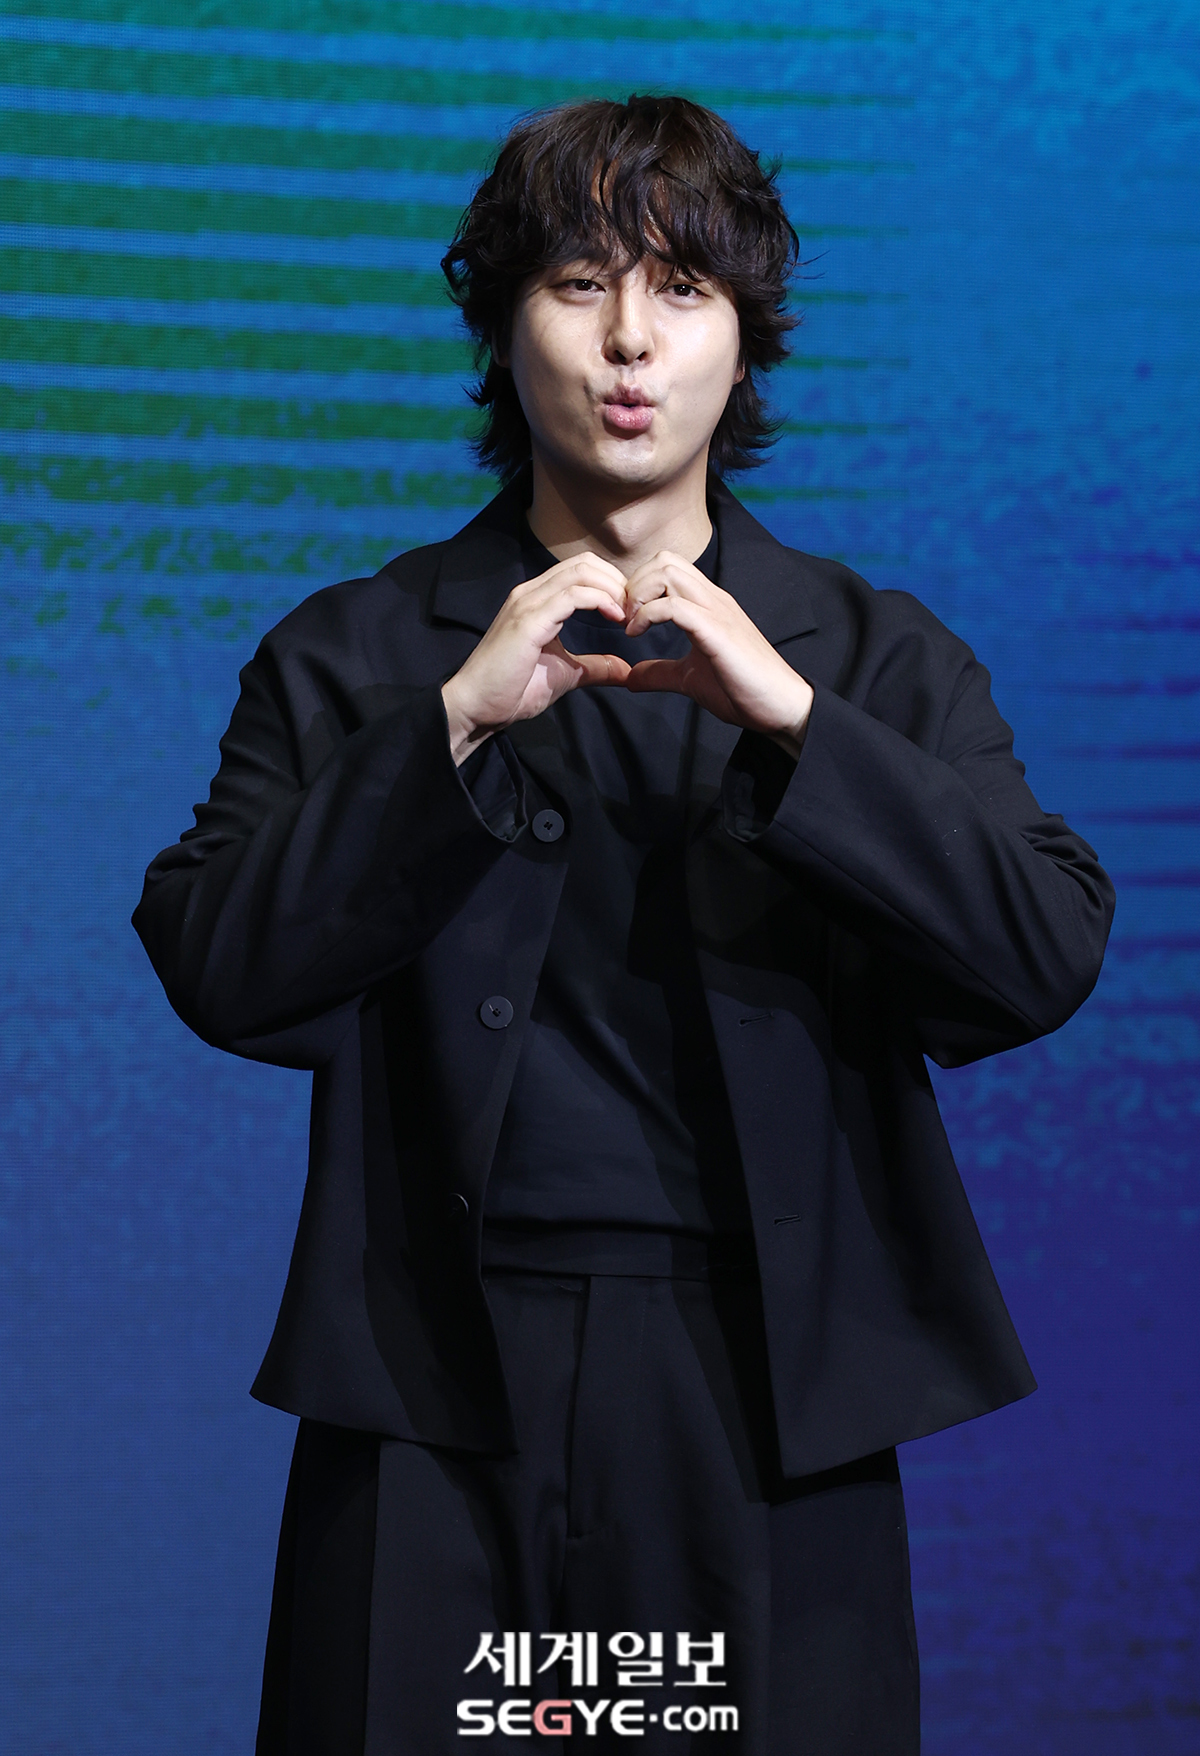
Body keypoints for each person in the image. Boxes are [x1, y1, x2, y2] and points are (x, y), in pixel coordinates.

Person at [133, 95, 1114, 1755]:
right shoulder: (356, 653)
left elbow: (1042, 954)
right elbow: (221, 965)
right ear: (502, 327)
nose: (631, 342)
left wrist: (795, 722)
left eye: (683, 288)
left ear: (747, 339)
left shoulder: (873, 657)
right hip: (432, 1391)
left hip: (765, 1393)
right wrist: (450, 723)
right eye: (579, 284)